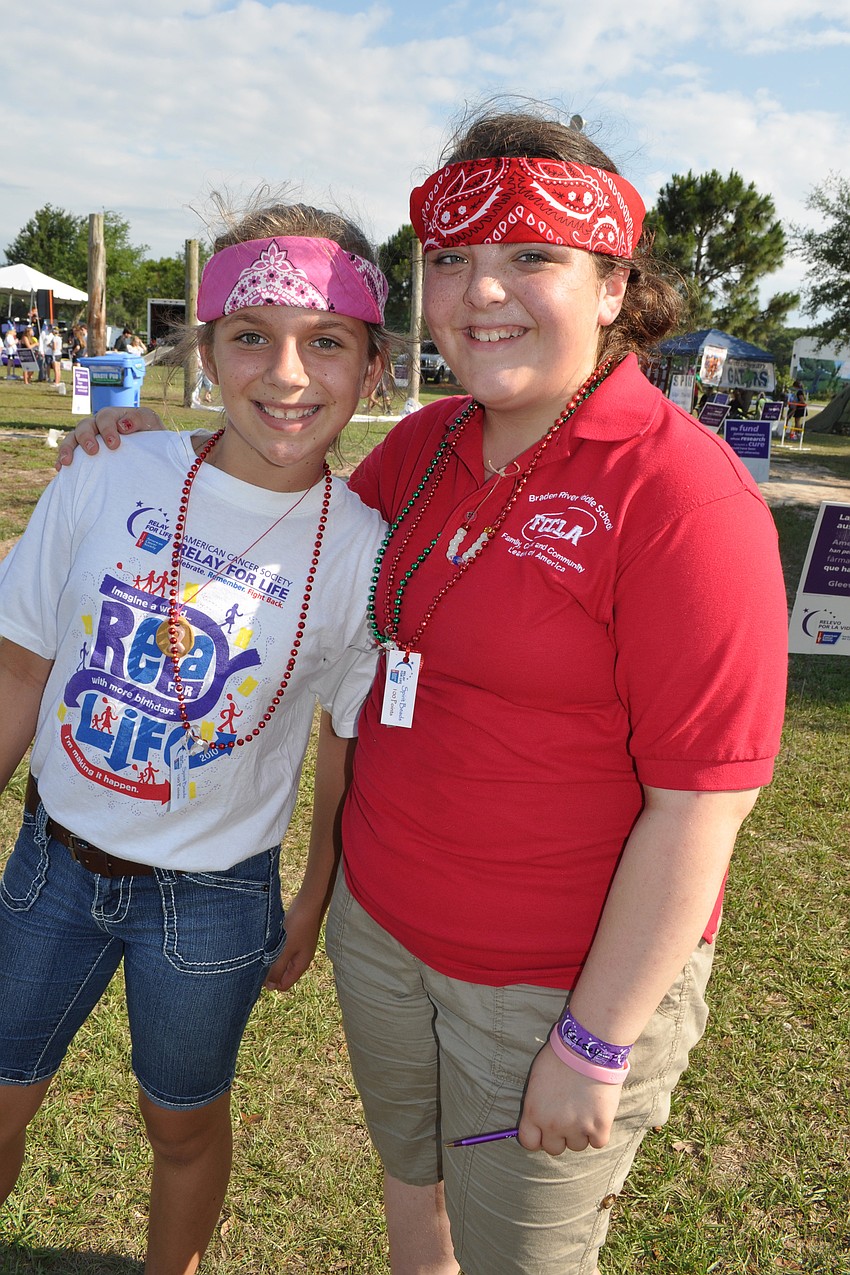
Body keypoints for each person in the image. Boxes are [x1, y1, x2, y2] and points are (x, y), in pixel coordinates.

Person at [57, 104, 789, 1275]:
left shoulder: (683, 500)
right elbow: (275, 487)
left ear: (612, 284)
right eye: (451, 260)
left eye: (530, 257)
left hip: (551, 983)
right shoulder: (434, 444)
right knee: (415, 1210)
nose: (480, 293)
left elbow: (701, 804)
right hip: (384, 937)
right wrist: (140, 446)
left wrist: (594, 1044)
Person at [0, 197, 389, 1275]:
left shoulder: (364, 552)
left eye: (328, 344)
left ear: (373, 368)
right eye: (251, 336)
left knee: (181, 1125)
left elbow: (346, 736)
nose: (288, 374)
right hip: (52, 867)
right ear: (206, 351)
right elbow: (21, 662)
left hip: (213, 900)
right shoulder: (111, 470)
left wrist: (310, 895)